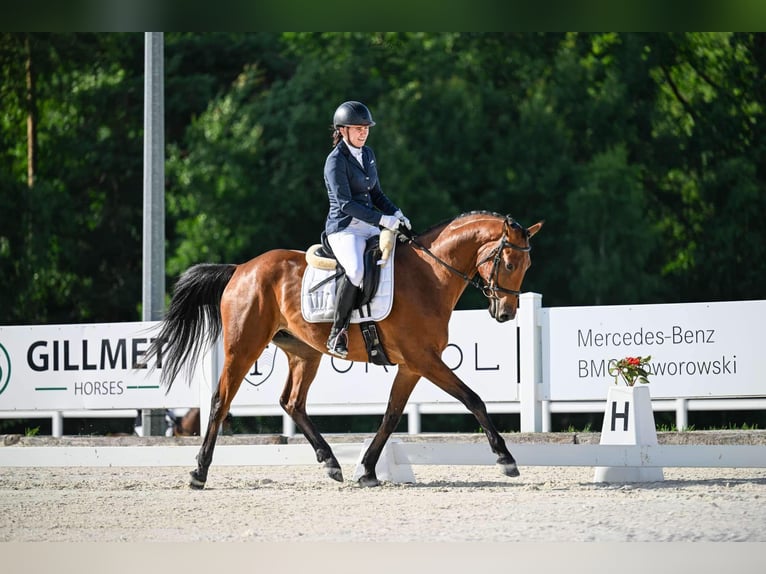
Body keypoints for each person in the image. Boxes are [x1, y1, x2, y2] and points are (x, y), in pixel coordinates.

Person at [323, 100, 411, 358]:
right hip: (344, 228)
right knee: (356, 270)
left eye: (366, 128)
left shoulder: (368, 154)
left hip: (370, 225)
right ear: (343, 130)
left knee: (399, 258)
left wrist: (396, 212)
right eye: (358, 128)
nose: (363, 132)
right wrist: (383, 221)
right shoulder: (335, 161)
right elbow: (346, 204)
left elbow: (376, 193)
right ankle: (337, 333)